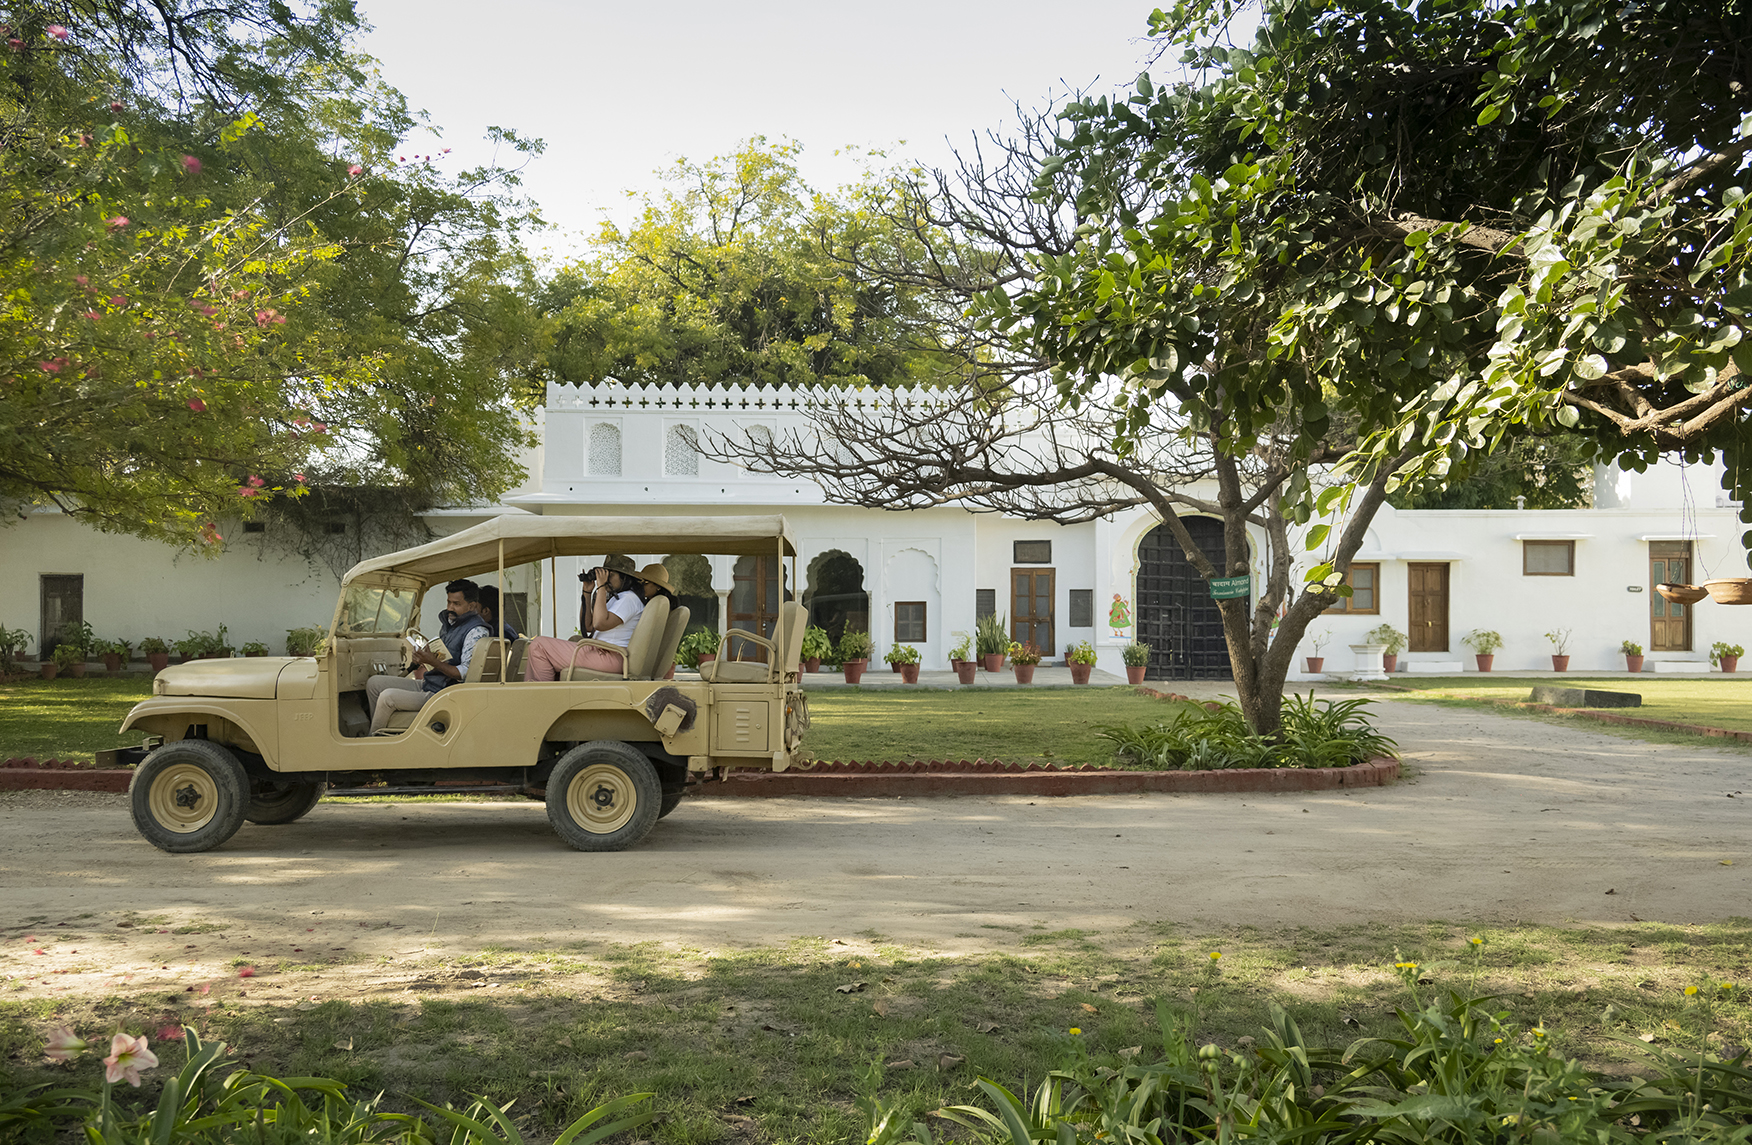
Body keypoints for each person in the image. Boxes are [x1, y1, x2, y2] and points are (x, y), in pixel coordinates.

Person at [365, 579, 491, 734]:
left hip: (444, 692)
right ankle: (381, 731)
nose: (450, 608)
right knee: (374, 683)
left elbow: (464, 673)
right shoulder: (453, 623)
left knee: (387, 697)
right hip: (432, 683)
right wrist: (424, 658)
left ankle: (373, 743)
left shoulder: (476, 631)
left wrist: (432, 661)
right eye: (448, 602)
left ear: (471, 606)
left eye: (456, 604)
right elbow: (442, 658)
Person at [524, 556, 646, 681]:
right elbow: (588, 626)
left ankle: (542, 697)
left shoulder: (629, 599)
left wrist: (601, 587)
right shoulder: (618, 598)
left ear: (625, 578)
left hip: (611, 656)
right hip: (605, 654)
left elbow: (599, 623)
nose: (606, 578)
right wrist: (587, 593)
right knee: (543, 647)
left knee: (539, 646)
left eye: (610, 575)